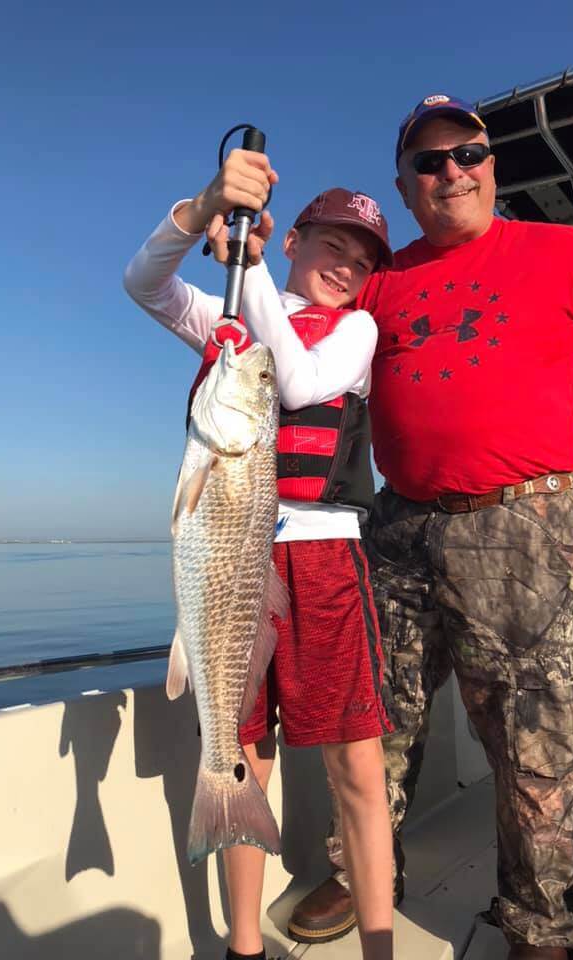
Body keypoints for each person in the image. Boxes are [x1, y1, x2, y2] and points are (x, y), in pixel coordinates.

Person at [290, 95, 573, 960]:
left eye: (467, 154)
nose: (451, 172)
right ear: (404, 184)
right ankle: (362, 870)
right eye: (428, 163)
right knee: (374, 711)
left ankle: (540, 919)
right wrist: (225, 242)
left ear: (492, 165)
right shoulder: (382, 283)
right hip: (398, 525)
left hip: (524, 522)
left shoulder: (563, 252)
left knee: (534, 728)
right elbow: (294, 333)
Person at [123, 153, 395, 960]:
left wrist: (244, 278)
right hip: (233, 559)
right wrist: (204, 206)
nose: (346, 267)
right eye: (331, 247)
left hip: (323, 563)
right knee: (243, 756)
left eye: (363, 258)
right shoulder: (235, 314)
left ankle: (378, 948)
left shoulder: (355, 330)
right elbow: (145, 283)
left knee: (357, 764)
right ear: (293, 243)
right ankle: (244, 946)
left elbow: (304, 383)